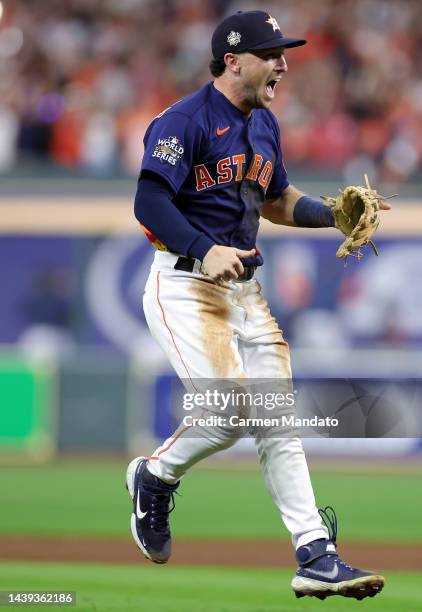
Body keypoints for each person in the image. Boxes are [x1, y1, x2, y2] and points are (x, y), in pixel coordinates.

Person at [127, 10, 388, 600]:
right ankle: (154, 476)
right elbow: (148, 200)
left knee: (276, 421)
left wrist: (332, 214)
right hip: (185, 282)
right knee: (227, 415)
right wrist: (201, 247)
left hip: (244, 290)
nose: (283, 64)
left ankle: (315, 555)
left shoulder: (264, 125)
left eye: (284, 53)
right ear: (233, 60)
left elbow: (275, 200)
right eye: (272, 54)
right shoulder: (184, 120)